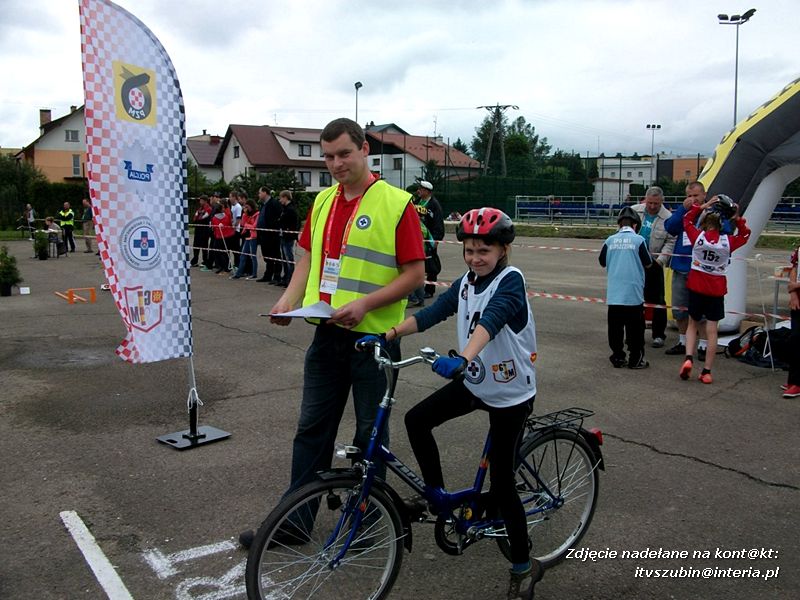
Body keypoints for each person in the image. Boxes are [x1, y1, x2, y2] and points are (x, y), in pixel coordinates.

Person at [238, 118, 425, 548]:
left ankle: (366, 522)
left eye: (344, 153)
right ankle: (294, 522)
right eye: (328, 157)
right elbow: (307, 258)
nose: (336, 164)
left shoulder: (397, 204)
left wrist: (365, 305)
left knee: (368, 437)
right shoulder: (322, 200)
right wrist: (288, 300)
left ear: (364, 150)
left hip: (375, 342)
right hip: (326, 336)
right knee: (311, 430)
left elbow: (414, 275)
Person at [373, 207, 543, 600]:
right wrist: (391, 333)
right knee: (417, 420)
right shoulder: (467, 282)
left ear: (502, 250)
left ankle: (523, 565)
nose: (475, 258)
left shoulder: (511, 281)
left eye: (484, 250)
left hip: (511, 395)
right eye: (469, 250)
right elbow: (435, 311)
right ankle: (437, 497)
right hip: (477, 383)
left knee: (503, 484)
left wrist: (463, 357)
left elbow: (491, 321)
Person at [680, 195, 751, 384]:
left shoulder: (698, 237)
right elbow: (745, 235)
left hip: (696, 285)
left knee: (692, 324)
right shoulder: (728, 241)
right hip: (716, 289)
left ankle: (688, 358)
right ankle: (706, 371)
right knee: (712, 330)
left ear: (705, 222)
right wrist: (738, 219)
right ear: (722, 224)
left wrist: (702, 205)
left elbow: (686, 220)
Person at [599, 206, 653, 369]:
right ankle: (636, 359)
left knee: (615, 329)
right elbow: (648, 263)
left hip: (614, 294)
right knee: (635, 329)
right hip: (633, 294)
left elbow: (602, 261)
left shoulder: (610, 240)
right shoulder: (639, 240)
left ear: (619, 224)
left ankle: (617, 357)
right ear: (635, 225)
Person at [663, 182, 708, 359]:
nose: (692, 199)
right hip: (681, 267)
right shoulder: (684, 213)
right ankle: (682, 342)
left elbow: (726, 230)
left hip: (702, 270)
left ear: (704, 195)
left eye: (696, 196)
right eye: (689, 196)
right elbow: (670, 227)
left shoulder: (711, 213)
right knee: (679, 308)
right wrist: (683, 209)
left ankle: (703, 345)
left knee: (702, 311)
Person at [631, 187, 675, 348]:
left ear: (662, 201)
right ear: (645, 199)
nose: (652, 206)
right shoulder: (634, 211)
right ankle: (635, 333)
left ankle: (658, 334)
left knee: (658, 301)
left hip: (655, 264)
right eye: (649, 202)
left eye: (656, 203)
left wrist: (660, 261)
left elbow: (671, 241)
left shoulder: (668, 218)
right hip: (634, 263)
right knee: (634, 299)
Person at [407, 180, 445, 307]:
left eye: (421, 189)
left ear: (427, 191)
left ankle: (430, 289)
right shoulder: (418, 202)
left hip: (430, 238)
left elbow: (438, 223)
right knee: (422, 263)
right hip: (419, 237)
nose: (419, 191)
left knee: (431, 262)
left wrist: (436, 239)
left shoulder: (434, 205)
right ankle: (421, 290)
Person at [255, 187, 282, 283]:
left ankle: (277, 276)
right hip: (264, 235)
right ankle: (268, 274)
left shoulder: (274, 203)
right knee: (267, 255)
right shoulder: (263, 204)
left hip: (272, 234)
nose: (258, 195)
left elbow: (279, 217)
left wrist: (275, 228)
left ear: (265, 193)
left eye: (260, 193)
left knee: (275, 255)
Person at [784, 243, 800, 398]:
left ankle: (796, 382)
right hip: (798, 301)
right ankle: (793, 380)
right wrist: (793, 293)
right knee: (795, 338)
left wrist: (795, 285)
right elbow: (794, 268)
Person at [232, 198, 259, 279]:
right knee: (243, 255)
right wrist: (244, 214)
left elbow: (254, 226)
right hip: (247, 236)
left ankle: (254, 274)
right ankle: (238, 274)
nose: (246, 208)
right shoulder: (246, 214)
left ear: (251, 206)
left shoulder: (257, 214)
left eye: (247, 207)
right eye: (245, 207)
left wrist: (247, 225)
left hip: (253, 237)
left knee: (253, 256)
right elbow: (243, 224)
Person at [277, 189, 299, 287]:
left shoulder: (291, 210)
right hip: (283, 236)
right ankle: (286, 277)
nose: (280, 200)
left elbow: (294, 224)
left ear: (285, 197)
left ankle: (290, 279)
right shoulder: (285, 209)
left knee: (288, 258)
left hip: (288, 237)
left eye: (281, 198)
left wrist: (291, 233)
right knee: (285, 258)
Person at [190, 195, 212, 268]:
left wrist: (198, 218)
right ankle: (194, 261)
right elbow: (195, 218)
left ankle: (205, 261)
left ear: (205, 201)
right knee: (196, 245)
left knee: (204, 246)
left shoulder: (208, 209)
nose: (200, 202)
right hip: (198, 229)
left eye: (201, 200)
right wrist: (197, 218)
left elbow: (201, 218)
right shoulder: (200, 208)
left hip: (204, 230)